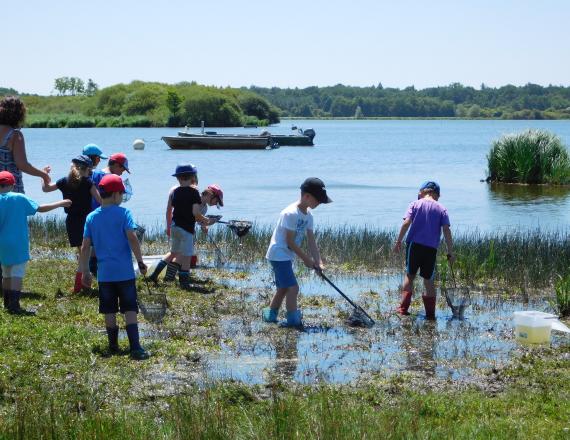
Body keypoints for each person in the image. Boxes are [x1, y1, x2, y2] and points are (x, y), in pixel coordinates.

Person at [79, 174, 149, 360]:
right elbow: (132, 237)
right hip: (124, 273)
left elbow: (85, 245)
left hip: (105, 275)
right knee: (130, 309)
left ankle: (113, 346)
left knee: (109, 310)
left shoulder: (91, 217)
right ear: (117, 195)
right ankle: (135, 347)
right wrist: (140, 261)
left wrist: (85, 270)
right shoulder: (124, 213)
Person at [262, 177, 332, 328]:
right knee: (293, 288)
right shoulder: (290, 213)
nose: (319, 203)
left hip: (286, 256)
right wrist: (306, 259)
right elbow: (289, 241)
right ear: (306, 196)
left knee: (283, 288)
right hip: (278, 254)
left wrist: (318, 261)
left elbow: (312, 241)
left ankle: (269, 316)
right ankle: (293, 322)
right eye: (317, 200)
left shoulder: (308, 216)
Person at [0, 96, 52, 295]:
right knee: (12, 229)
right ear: (19, 113)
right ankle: (12, 288)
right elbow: (22, 165)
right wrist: (43, 174)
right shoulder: (15, 135)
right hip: (11, 189)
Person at [0, 171, 71, 314]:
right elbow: (40, 208)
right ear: (13, 185)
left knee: (6, 273)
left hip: (2, 244)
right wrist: (60, 203)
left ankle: (7, 303)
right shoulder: (19, 197)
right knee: (17, 273)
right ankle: (14, 306)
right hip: (18, 243)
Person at [392, 181, 455, 319]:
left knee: (410, 275)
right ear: (435, 194)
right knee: (428, 280)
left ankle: (403, 309)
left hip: (414, 245)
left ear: (423, 192)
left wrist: (398, 241)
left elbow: (406, 222)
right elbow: (446, 230)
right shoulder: (441, 208)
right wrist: (450, 251)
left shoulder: (414, 204)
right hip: (431, 248)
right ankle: (430, 314)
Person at [42, 155, 101, 293]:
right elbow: (100, 200)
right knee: (84, 256)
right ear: (86, 169)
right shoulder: (87, 182)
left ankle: (79, 286)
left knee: (82, 255)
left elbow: (46, 188)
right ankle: (83, 286)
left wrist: (44, 175)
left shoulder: (64, 181)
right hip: (86, 221)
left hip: (72, 221)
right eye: (90, 171)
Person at [149, 181, 223, 283]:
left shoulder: (203, 206)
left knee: (174, 253)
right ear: (211, 194)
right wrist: (210, 221)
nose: (215, 204)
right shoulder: (195, 198)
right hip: (186, 230)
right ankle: (183, 282)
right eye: (216, 201)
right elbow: (196, 216)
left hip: (175, 226)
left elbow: (198, 220)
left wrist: (204, 226)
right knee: (185, 255)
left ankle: (157, 276)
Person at [88, 152, 131, 277]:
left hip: (93, 213)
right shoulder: (109, 177)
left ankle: (92, 268)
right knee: (103, 241)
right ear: (116, 165)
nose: (122, 172)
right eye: (122, 168)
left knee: (95, 241)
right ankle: (95, 268)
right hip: (105, 212)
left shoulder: (96, 173)